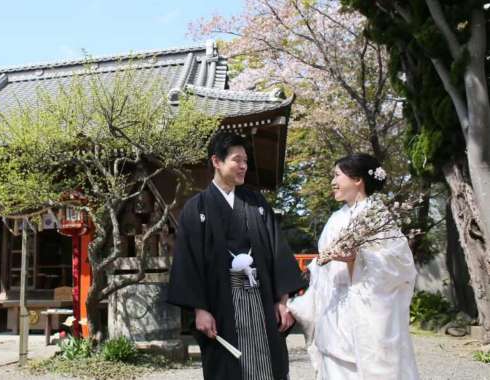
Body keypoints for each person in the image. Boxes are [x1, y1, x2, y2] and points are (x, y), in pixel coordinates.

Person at [167, 132, 305, 380]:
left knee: (268, 367)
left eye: (246, 161)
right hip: (220, 306)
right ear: (216, 162)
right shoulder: (195, 209)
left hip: (261, 300)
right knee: (226, 368)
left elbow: (278, 252)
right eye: (236, 159)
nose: (243, 166)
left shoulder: (257, 203)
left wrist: (283, 300)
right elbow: (189, 263)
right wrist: (200, 309)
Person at [288, 153, 420, 379]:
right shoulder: (335, 218)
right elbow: (322, 268)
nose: (333, 181)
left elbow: (401, 266)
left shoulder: (378, 217)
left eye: (337, 175)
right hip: (333, 313)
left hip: (366, 311)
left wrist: (358, 258)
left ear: (357, 179)